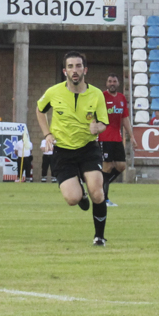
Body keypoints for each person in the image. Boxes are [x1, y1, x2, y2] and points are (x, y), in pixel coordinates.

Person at [36, 51, 110, 247]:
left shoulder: (97, 95)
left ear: (85, 70)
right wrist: (47, 134)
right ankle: (80, 194)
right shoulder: (53, 92)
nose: (74, 70)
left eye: (78, 66)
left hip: (88, 148)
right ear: (65, 71)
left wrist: (98, 127)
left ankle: (99, 237)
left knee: (98, 192)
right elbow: (39, 110)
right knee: (72, 198)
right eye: (70, 67)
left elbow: (104, 122)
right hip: (63, 151)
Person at [99, 74, 134, 207]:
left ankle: (100, 185)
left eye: (114, 81)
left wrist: (131, 136)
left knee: (121, 166)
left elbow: (124, 118)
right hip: (104, 137)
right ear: (107, 83)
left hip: (117, 137)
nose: (112, 83)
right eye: (110, 81)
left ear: (118, 83)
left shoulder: (121, 98)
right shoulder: (101, 97)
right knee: (107, 167)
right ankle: (104, 199)